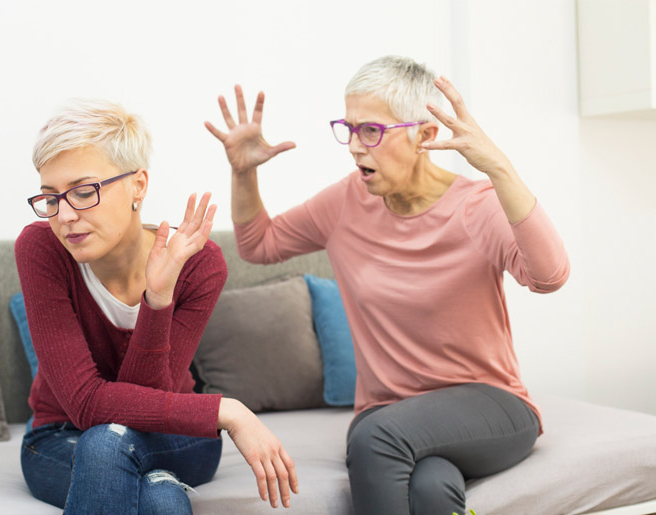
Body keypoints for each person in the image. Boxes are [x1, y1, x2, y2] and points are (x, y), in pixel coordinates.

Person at [205, 55, 570, 514]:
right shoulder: (344, 203)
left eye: (372, 131)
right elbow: (259, 245)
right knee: (430, 487)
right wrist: (244, 171)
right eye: (350, 128)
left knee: (378, 439)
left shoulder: (476, 207)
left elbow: (549, 276)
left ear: (426, 135)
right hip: (385, 410)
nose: (356, 146)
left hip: (490, 405)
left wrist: (498, 168)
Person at [16, 99, 298, 514]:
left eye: (82, 192)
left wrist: (158, 298)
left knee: (108, 442)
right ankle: (163, 487)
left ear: (138, 185)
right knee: (156, 496)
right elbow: (85, 404)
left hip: (176, 437)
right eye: (51, 198)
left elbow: (149, 397)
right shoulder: (41, 249)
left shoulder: (198, 264)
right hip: (62, 435)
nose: (65, 216)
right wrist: (226, 410)